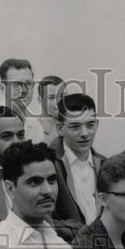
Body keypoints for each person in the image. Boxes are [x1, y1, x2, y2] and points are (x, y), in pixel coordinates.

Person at [50, 92, 107, 240]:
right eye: (75, 126)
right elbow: (40, 218)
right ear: (60, 129)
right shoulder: (48, 164)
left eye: (90, 125)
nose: (85, 133)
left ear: (97, 124)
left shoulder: (106, 165)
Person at [36, 75, 63, 147]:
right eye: (52, 97)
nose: (59, 102)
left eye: (62, 96)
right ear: (40, 100)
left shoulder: (71, 127)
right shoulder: (34, 130)